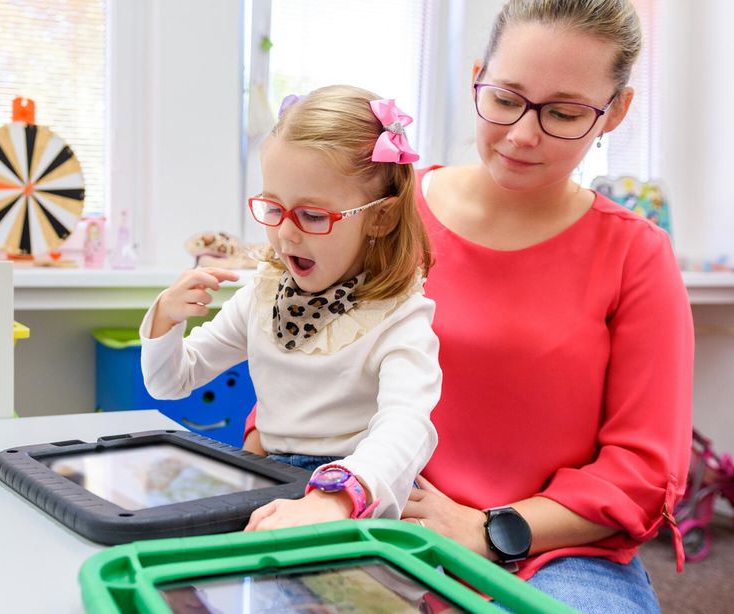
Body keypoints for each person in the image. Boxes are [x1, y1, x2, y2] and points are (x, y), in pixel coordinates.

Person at [245, 1, 692, 611]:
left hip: (551, 550)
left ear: (615, 112)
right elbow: (303, 351)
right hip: (363, 507)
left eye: (563, 112)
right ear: (478, 76)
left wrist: (491, 528)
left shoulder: (634, 254)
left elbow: (643, 466)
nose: (522, 134)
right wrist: (272, 455)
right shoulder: (388, 215)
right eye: (506, 99)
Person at [140, 85, 442, 531]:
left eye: (313, 216)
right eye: (273, 208)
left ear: (381, 216)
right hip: (271, 479)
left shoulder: (399, 316)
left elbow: (406, 428)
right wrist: (166, 318)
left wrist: (339, 496)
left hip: (360, 490)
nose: (286, 234)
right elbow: (171, 382)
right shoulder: (263, 296)